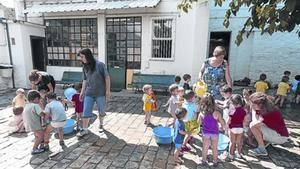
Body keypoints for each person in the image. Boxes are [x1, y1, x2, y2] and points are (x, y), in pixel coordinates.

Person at [77, 48, 111, 137]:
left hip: (100, 93)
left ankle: (101, 124)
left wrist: (108, 91)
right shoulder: (84, 66)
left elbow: (107, 78)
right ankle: (85, 129)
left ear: (87, 56)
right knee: (86, 110)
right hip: (89, 93)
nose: (81, 59)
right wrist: (82, 92)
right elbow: (85, 80)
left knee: (101, 111)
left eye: (82, 57)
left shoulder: (100, 65)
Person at [198, 93, 225, 166]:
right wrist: (222, 127)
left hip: (205, 133)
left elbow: (198, 124)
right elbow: (222, 123)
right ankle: (215, 162)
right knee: (215, 148)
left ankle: (203, 161)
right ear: (213, 102)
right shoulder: (217, 113)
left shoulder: (201, 113)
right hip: (215, 133)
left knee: (205, 147)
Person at [22, 90, 45, 155]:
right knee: (41, 135)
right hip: (35, 124)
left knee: (37, 135)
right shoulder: (35, 105)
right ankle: (34, 149)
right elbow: (41, 114)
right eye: (38, 99)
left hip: (29, 123)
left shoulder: (27, 105)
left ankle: (41, 144)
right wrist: (45, 113)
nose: (39, 100)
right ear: (34, 99)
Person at [227, 94, 247, 160]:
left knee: (232, 142)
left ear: (234, 103)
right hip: (240, 128)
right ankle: (239, 154)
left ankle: (231, 155)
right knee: (239, 142)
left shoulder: (232, 111)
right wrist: (243, 128)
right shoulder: (244, 111)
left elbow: (228, 121)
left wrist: (226, 127)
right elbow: (244, 121)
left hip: (232, 128)